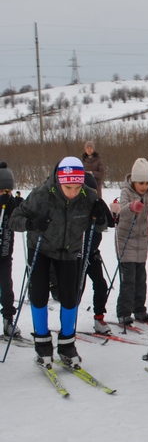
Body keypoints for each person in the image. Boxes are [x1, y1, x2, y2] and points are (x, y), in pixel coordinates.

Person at [9, 157, 107, 367]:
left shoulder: (88, 196)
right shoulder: (41, 195)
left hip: (69, 251)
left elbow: (102, 225)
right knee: (40, 294)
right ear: (58, 181)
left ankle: (67, 345)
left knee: (70, 297)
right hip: (41, 248)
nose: (72, 192)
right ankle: (43, 345)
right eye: (67, 187)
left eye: (76, 187)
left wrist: (99, 218)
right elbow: (14, 220)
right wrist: (32, 223)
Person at [116, 158, 148, 326]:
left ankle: (139, 309)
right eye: (140, 183)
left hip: (141, 239)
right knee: (128, 278)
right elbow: (122, 211)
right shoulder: (126, 191)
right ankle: (124, 312)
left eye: (146, 183)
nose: (144, 186)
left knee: (141, 277)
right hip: (125, 238)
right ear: (134, 181)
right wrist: (132, 207)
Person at [79, 172, 115, 334]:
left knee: (101, 285)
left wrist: (107, 215)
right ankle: (68, 321)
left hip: (92, 252)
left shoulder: (98, 203)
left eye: (94, 190)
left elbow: (111, 223)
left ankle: (99, 318)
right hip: (76, 254)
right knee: (76, 289)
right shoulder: (75, 205)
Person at [0, 163, 19, 337]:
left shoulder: (11, 203)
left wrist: (18, 205)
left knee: (6, 286)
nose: (6, 195)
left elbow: (19, 222)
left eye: (8, 191)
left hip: (5, 255)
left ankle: (8, 320)